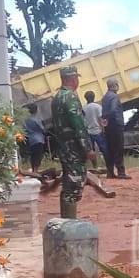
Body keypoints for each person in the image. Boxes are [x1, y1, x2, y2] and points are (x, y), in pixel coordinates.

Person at [51, 66, 95, 219]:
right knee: (74, 185)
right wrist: (87, 148)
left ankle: (67, 221)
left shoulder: (57, 97)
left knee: (68, 184)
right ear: (73, 79)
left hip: (64, 147)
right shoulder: (70, 97)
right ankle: (69, 223)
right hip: (74, 149)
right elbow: (78, 124)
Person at [102, 77, 130, 179]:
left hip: (108, 127)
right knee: (118, 148)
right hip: (116, 126)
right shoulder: (114, 97)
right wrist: (118, 122)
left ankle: (110, 172)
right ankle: (121, 172)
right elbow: (113, 110)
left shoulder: (105, 97)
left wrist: (105, 119)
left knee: (110, 149)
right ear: (115, 85)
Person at [83, 90, 107, 168]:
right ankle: (107, 164)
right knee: (104, 149)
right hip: (98, 131)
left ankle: (95, 166)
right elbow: (100, 119)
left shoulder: (84, 108)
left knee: (91, 150)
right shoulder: (98, 107)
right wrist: (103, 128)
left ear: (86, 98)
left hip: (88, 132)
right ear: (94, 97)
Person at [23, 103, 46, 174]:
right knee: (38, 155)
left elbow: (24, 129)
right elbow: (42, 128)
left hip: (31, 140)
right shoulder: (37, 119)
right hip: (39, 139)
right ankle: (36, 169)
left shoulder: (26, 120)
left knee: (33, 155)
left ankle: (33, 169)